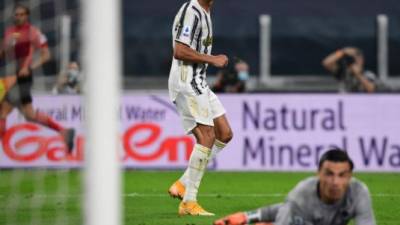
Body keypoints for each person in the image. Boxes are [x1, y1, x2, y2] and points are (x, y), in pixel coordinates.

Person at [167, 0, 233, 216]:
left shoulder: (206, 10)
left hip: (198, 80)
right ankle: (188, 202)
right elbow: (180, 51)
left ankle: (183, 183)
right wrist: (212, 59)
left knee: (224, 133)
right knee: (207, 136)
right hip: (187, 80)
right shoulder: (191, 11)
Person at [214, 149, 376, 225]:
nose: (335, 182)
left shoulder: (358, 192)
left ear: (350, 176)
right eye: (329, 174)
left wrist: (247, 216)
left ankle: (246, 218)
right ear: (318, 173)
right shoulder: (301, 194)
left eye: (342, 175)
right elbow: (289, 208)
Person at [0, 4, 75, 152]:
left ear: (27, 16)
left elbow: (46, 55)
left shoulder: (34, 33)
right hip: (11, 77)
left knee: (3, 112)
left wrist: (29, 67)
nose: (19, 17)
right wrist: (5, 47)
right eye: (16, 14)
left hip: (23, 79)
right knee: (30, 115)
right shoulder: (10, 32)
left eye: (22, 14)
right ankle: (64, 131)